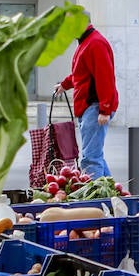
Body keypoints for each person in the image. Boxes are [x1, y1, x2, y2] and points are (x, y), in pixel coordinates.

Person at [57, 15, 118, 178]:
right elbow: (81, 74)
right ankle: (114, 196)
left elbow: (105, 78)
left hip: (94, 107)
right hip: (90, 107)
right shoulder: (87, 42)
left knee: (91, 159)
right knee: (95, 156)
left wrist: (105, 109)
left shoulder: (95, 43)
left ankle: (96, 201)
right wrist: (64, 84)